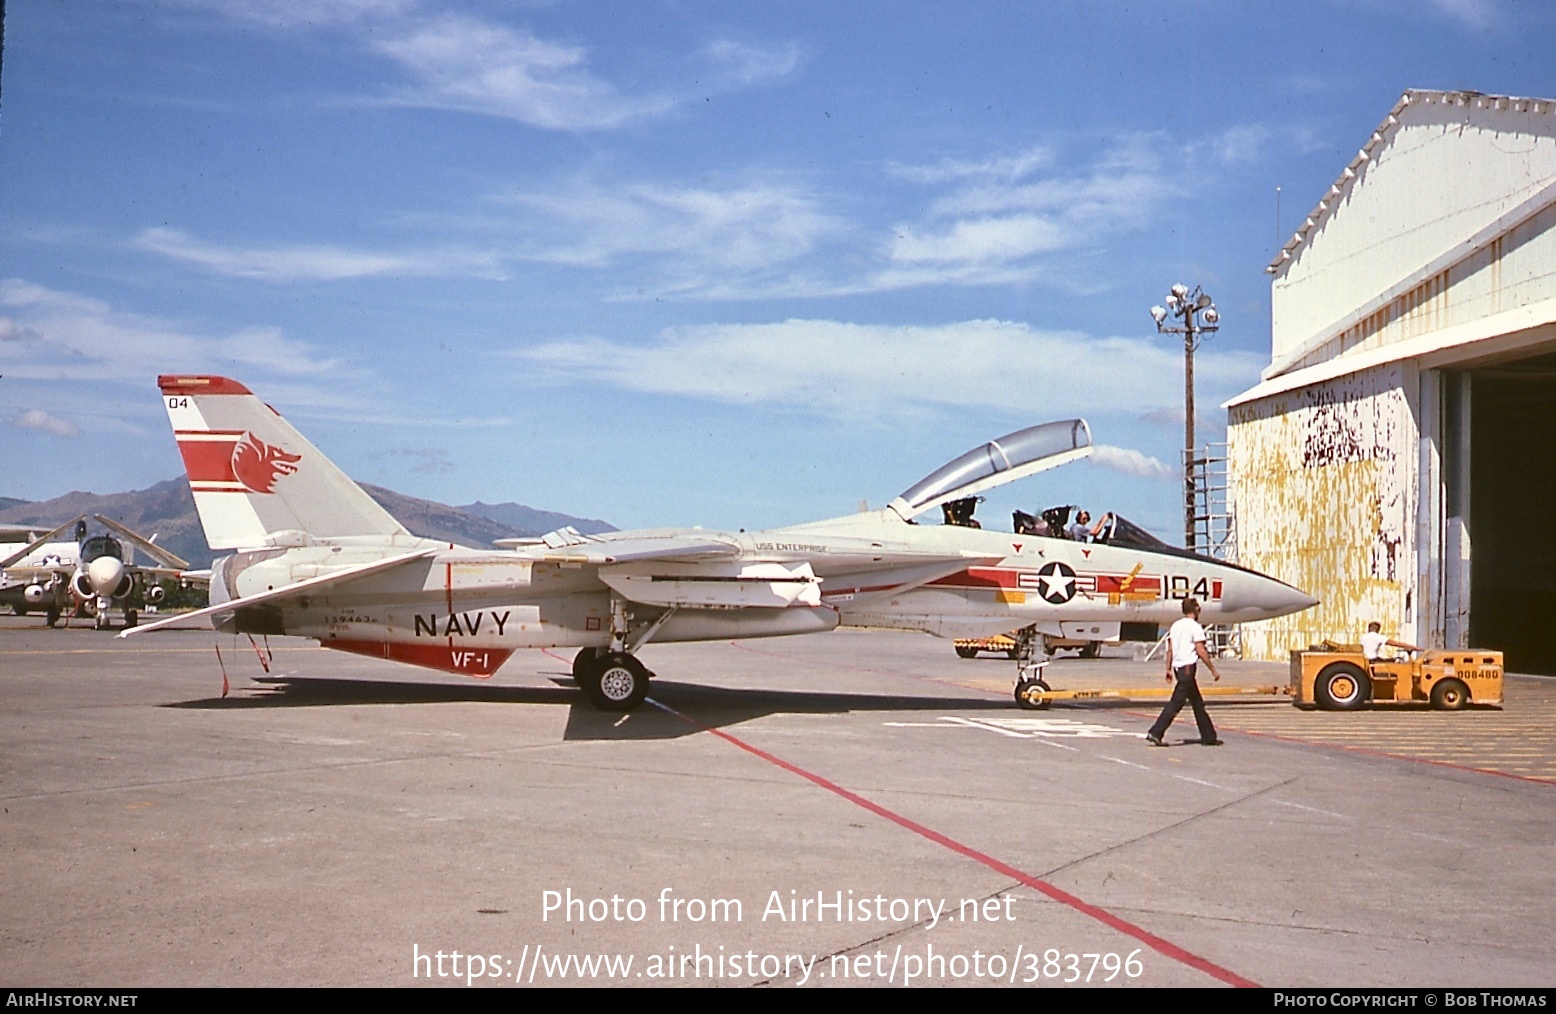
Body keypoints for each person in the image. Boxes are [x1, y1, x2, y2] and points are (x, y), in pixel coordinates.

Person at [1145, 597, 1222, 747]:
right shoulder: (1195, 627)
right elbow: (1200, 650)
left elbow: (1170, 649)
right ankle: (1156, 732)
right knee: (1176, 703)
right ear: (1195, 610)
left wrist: (1168, 668)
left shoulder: (1176, 626)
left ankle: (1208, 736)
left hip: (1178, 667)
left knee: (1197, 703)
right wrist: (1213, 669)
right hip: (1188, 667)